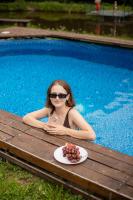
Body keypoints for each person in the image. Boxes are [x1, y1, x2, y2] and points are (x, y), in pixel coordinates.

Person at [23, 80, 96, 140]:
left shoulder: (72, 113)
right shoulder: (49, 109)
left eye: (61, 95)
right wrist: (44, 125)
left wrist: (65, 131)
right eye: (53, 95)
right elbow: (26, 118)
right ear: (49, 97)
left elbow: (91, 135)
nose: (57, 98)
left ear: (67, 97)